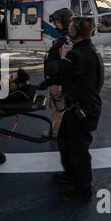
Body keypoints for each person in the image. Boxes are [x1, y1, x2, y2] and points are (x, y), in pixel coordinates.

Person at [46, 17, 104, 202]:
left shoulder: (77, 55)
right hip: (79, 108)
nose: (68, 29)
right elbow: (76, 76)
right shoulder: (87, 50)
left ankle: (83, 190)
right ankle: (70, 175)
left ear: (76, 31)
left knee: (78, 151)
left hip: (82, 111)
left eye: (71, 26)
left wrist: (55, 49)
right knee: (65, 141)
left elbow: (52, 68)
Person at [40, 8, 74, 138]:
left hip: (59, 83)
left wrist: (55, 82)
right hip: (58, 81)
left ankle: (56, 132)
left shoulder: (66, 40)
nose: (55, 25)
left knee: (58, 108)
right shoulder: (65, 38)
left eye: (58, 22)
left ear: (65, 22)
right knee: (58, 107)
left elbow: (65, 65)